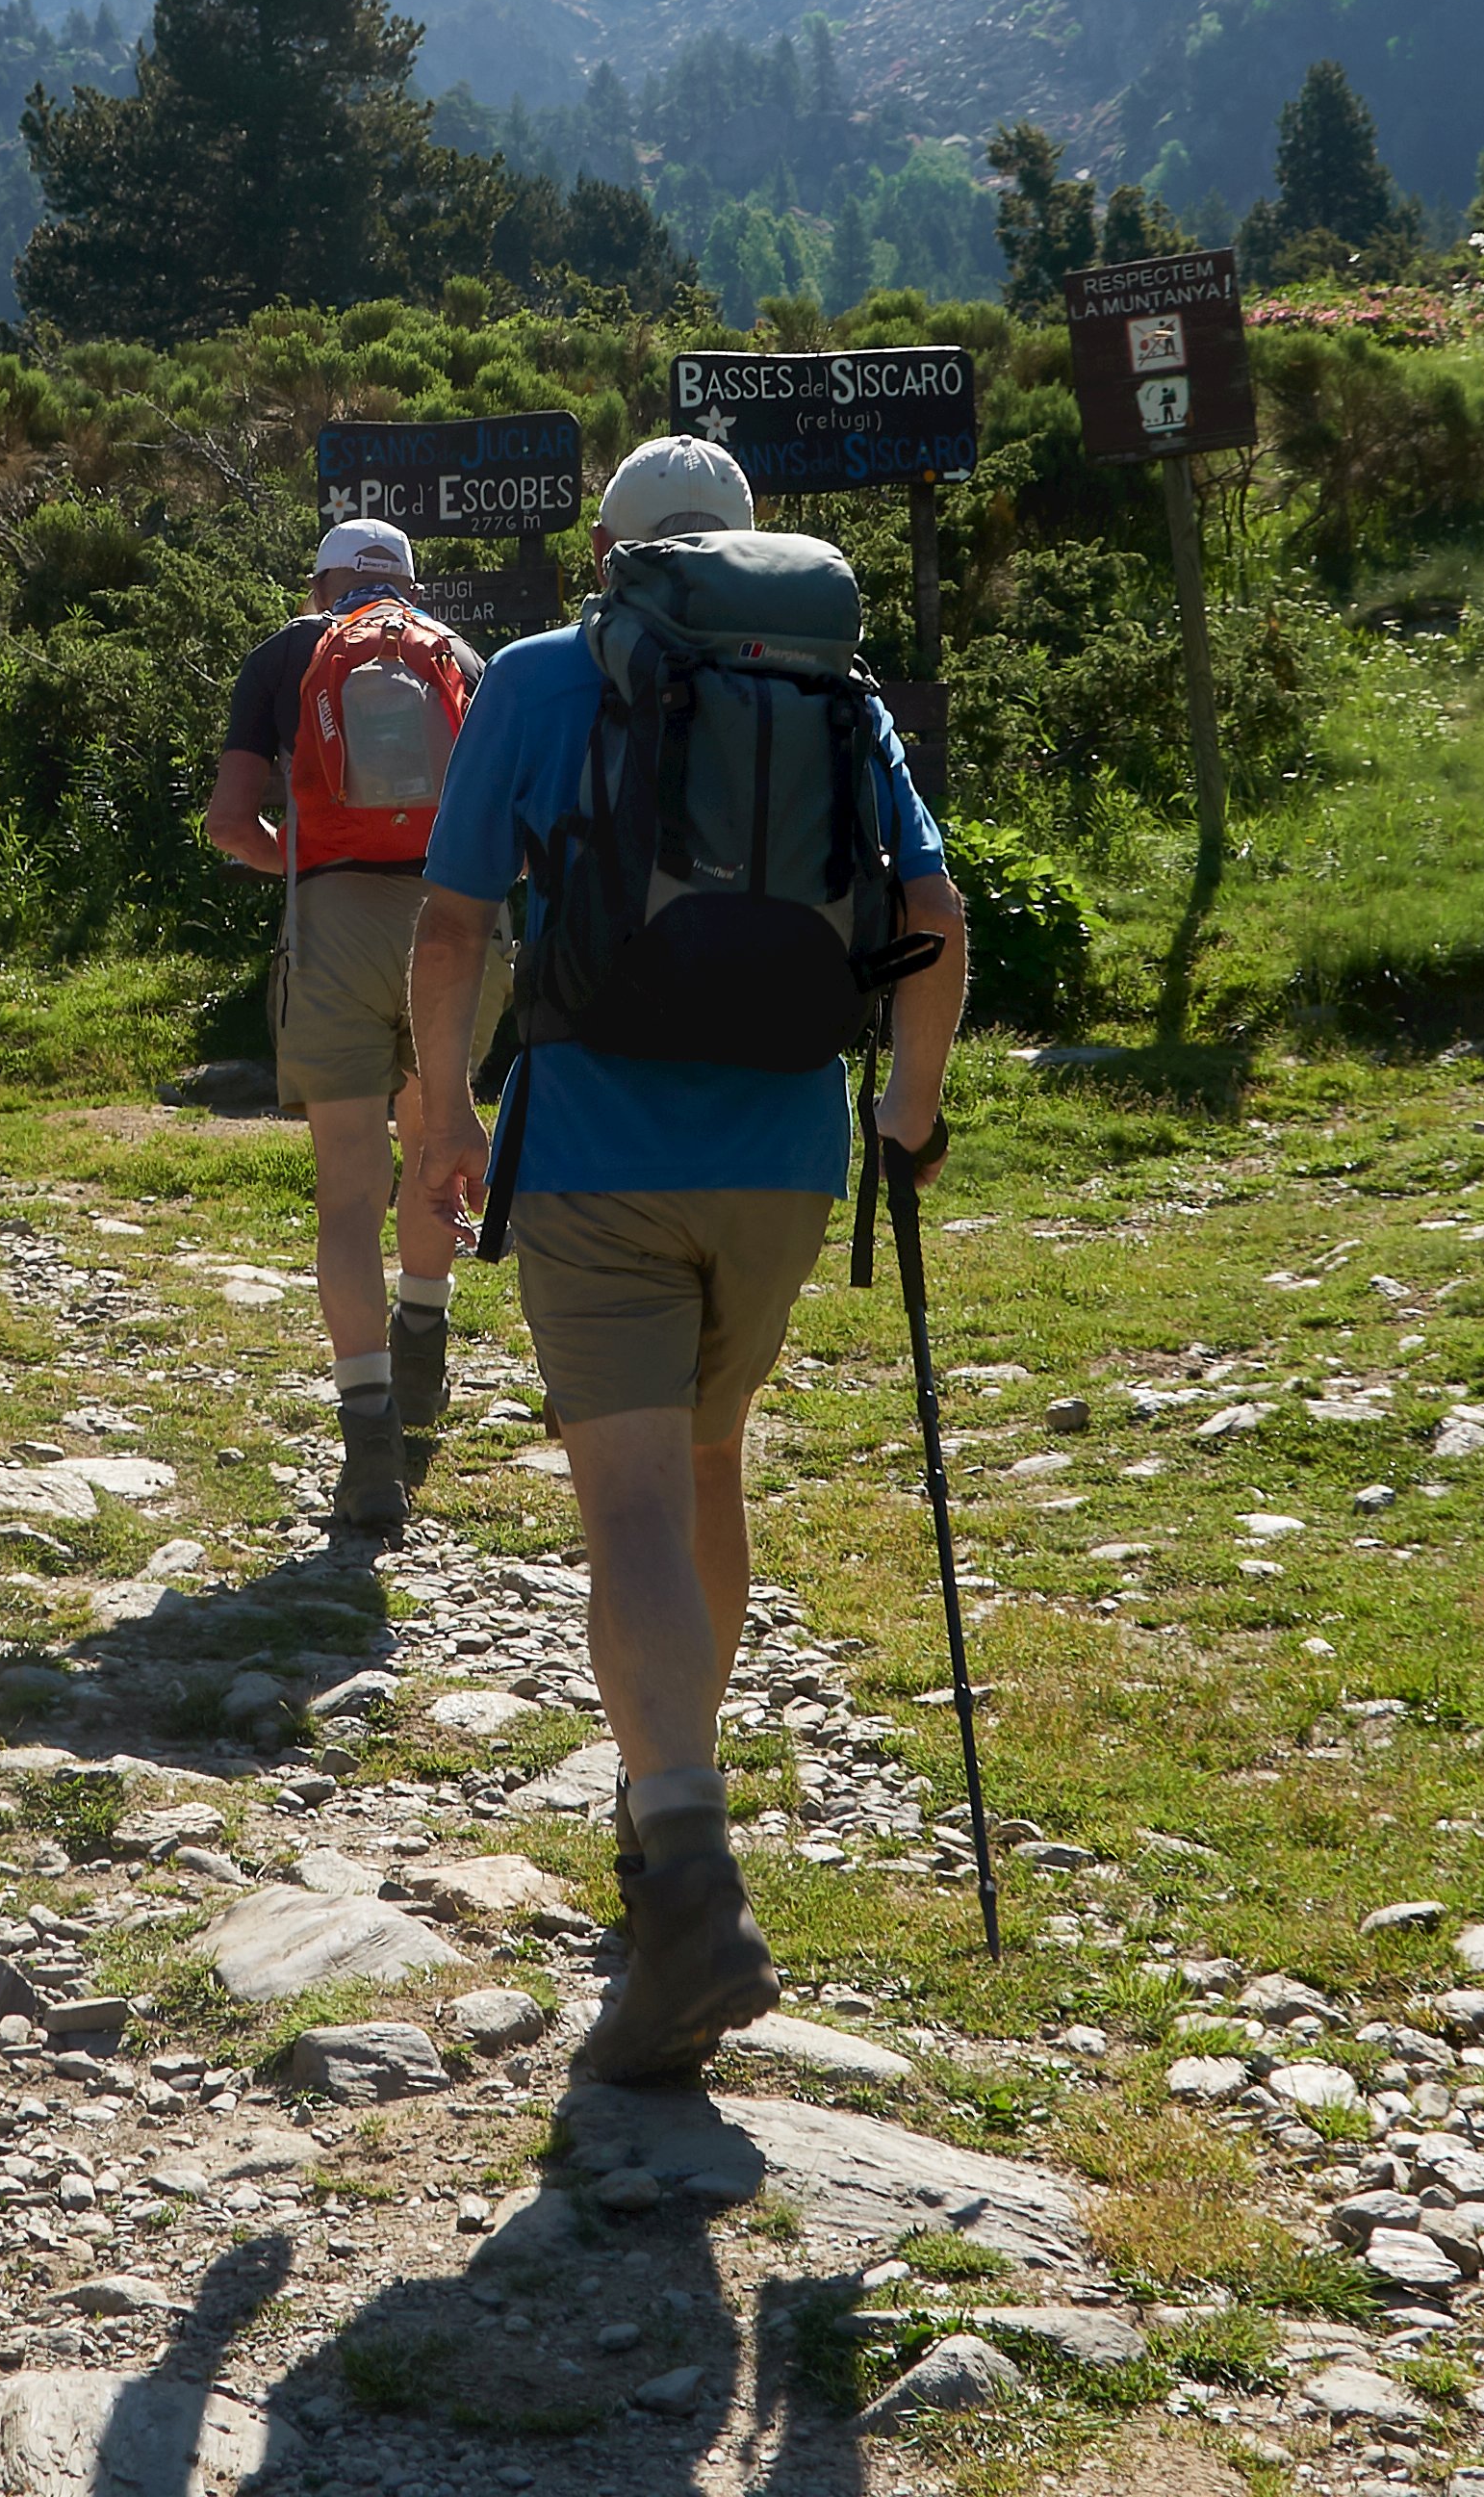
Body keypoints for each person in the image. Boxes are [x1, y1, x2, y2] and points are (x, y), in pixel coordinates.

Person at [405, 437, 969, 2087]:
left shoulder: (534, 674)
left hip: (594, 1150)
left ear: (610, 555)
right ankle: (678, 1810)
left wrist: (445, 1114)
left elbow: (453, 929)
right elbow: (932, 914)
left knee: (630, 1502)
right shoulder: (831, 688)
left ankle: (687, 1877)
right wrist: (911, 1116)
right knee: (712, 1460)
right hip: (785, 1154)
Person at [202, 514, 501, 1534]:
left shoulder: (286, 653)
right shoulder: (463, 656)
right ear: (408, 584)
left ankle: (368, 1441)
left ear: (322, 577)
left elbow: (229, 822)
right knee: (436, 1143)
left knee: (346, 1188)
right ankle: (425, 1340)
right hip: (455, 923)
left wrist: (296, 857)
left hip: (332, 924)